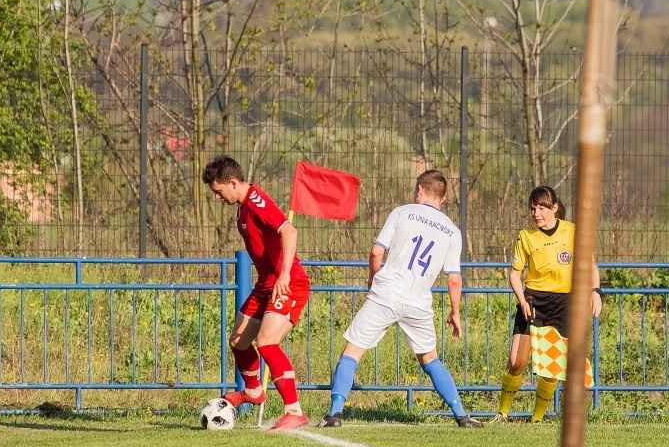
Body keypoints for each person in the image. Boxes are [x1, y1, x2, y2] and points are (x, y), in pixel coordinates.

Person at [318, 170, 482, 428]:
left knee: (352, 352)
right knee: (430, 359)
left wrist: (372, 279)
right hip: (418, 303)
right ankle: (462, 416)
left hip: (386, 294)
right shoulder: (452, 231)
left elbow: (376, 252)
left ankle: (335, 414)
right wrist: (455, 313)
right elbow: (454, 279)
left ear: (420, 190)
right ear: (443, 197)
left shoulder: (402, 212)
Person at [202, 155, 311, 431]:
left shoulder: (256, 201)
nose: (217, 197)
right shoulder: (242, 207)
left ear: (233, 182)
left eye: (218, 191)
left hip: (288, 283)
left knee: (266, 342)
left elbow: (290, 232)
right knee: (238, 341)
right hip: (265, 284)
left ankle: (294, 411)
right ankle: (253, 391)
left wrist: (284, 275)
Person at [492, 185, 602, 423]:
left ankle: (537, 418)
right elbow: (514, 274)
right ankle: (502, 413)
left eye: (541, 208)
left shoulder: (572, 231)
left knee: (551, 367)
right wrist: (522, 300)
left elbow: (591, 266)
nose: (536, 214)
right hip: (533, 301)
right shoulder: (526, 236)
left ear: (554, 207)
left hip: (563, 302)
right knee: (516, 361)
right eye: (533, 209)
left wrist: (595, 291)